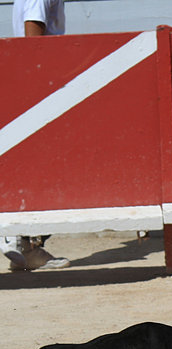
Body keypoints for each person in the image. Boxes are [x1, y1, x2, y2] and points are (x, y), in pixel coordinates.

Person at [4, 0, 70, 272]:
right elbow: (33, 38)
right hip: (38, 83)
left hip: (31, 80)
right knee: (39, 164)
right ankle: (21, 243)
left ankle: (25, 244)